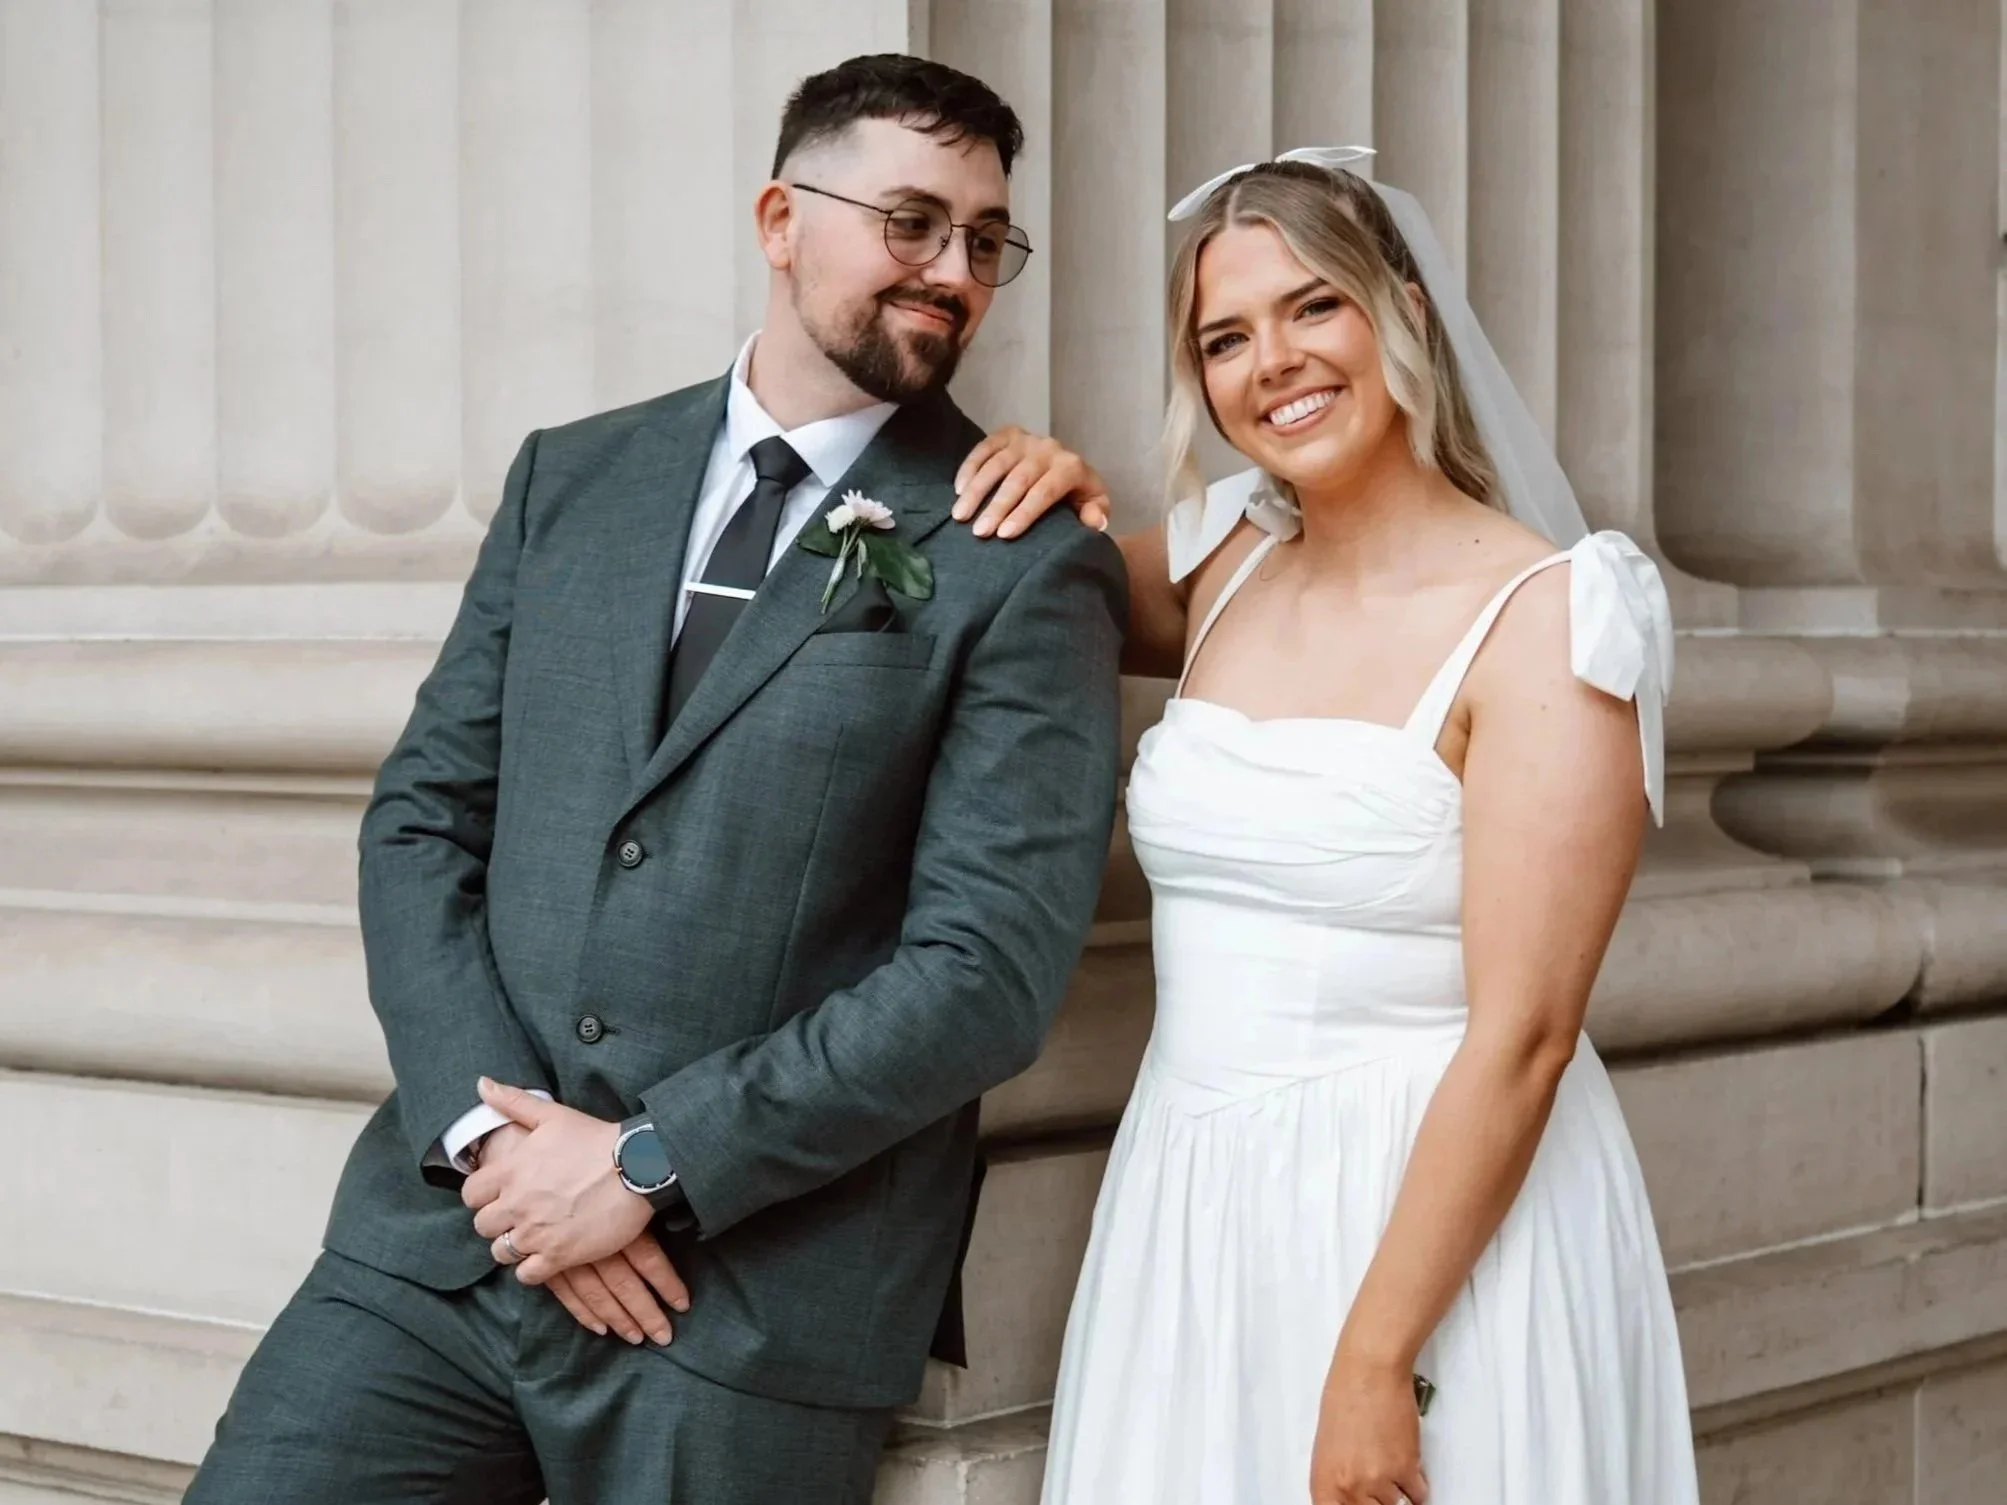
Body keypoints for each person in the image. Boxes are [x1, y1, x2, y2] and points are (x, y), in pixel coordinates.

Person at [184, 53, 1125, 1505]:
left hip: (745, 1305)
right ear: (779, 218)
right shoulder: (572, 477)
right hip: (445, 1247)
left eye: (984, 240)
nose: (952, 271)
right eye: (912, 221)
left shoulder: (1022, 552)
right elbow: (423, 820)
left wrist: (641, 1167)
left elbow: (984, 973)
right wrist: (500, 1147)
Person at [957, 152, 1700, 1505]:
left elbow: (1524, 1038)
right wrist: (1029, 468)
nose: (1272, 363)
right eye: (1224, 337)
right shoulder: (1225, 563)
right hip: (1192, 1200)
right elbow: (1004, 581)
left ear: (1401, 312)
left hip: (1427, 1227)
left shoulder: (1547, 619)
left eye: (1313, 309)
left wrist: (1373, 1359)